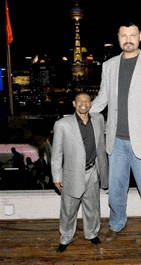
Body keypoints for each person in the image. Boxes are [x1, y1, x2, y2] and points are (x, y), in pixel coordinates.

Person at [90, 22, 141, 255]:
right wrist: (83, 113)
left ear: (140, 38)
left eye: (132, 35)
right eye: (124, 35)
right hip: (116, 141)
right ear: (118, 39)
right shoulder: (109, 66)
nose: (128, 39)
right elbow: (103, 99)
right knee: (116, 190)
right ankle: (116, 225)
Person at [51, 92, 108, 253]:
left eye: (87, 101)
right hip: (71, 174)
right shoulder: (62, 124)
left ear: (91, 104)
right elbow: (56, 153)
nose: (83, 103)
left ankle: (91, 233)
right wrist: (57, 176)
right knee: (68, 210)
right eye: (80, 101)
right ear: (74, 104)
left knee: (92, 207)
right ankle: (65, 238)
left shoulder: (98, 120)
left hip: (92, 171)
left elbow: (102, 144)